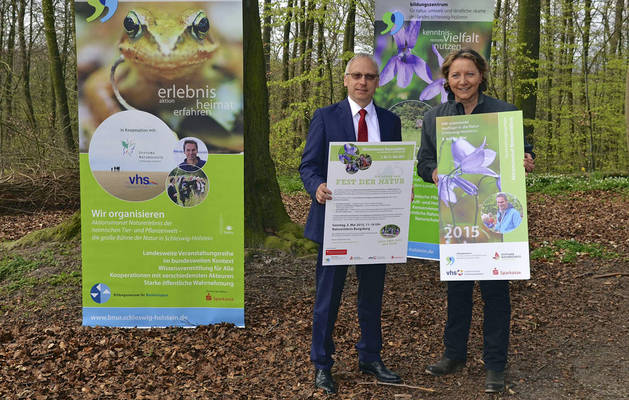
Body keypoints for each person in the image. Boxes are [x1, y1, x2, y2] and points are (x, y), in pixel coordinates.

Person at [416, 48, 535, 393]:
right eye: (455, 75)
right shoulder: (435, 118)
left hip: (493, 217)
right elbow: (424, 163)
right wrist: (435, 171)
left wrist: (526, 159)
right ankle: (454, 354)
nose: (462, 81)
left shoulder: (504, 113)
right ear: (447, 80)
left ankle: (495, 364)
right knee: (458, 290)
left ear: (481, 76)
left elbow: (523, 152)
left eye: (469, 74)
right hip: (457, 218)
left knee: (496, 293)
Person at [299, 53, 402, 395]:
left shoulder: (389, 122)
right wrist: (316, 187)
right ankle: (322, 365)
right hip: (337, 223)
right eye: (356, 75)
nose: (362, 82)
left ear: (377, 81)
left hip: (376, 225)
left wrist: (402, 190)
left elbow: (392, 169)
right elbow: (308, 165)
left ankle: (370, 356)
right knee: (328, 299)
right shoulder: (326, 117)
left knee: (371, 297)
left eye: (369, 76)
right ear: (345, 79)